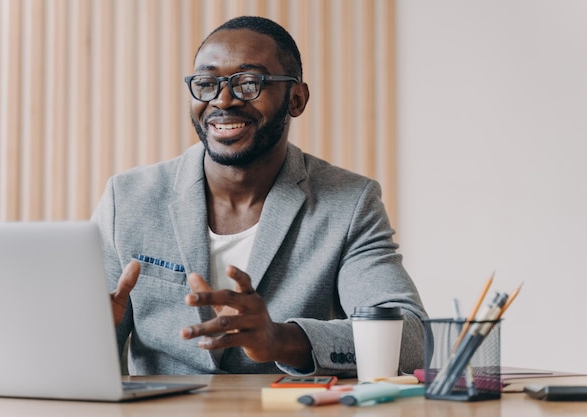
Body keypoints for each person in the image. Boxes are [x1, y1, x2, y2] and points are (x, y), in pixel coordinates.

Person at [92, 15, 428, 377]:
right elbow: (86, 357)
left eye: (249, 83)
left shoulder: (348, 202)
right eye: (206, 83)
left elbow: (410, 338)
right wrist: (89, 334)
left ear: (296, 98)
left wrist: (283, 339)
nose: (223, 100)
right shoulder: (126, 199)